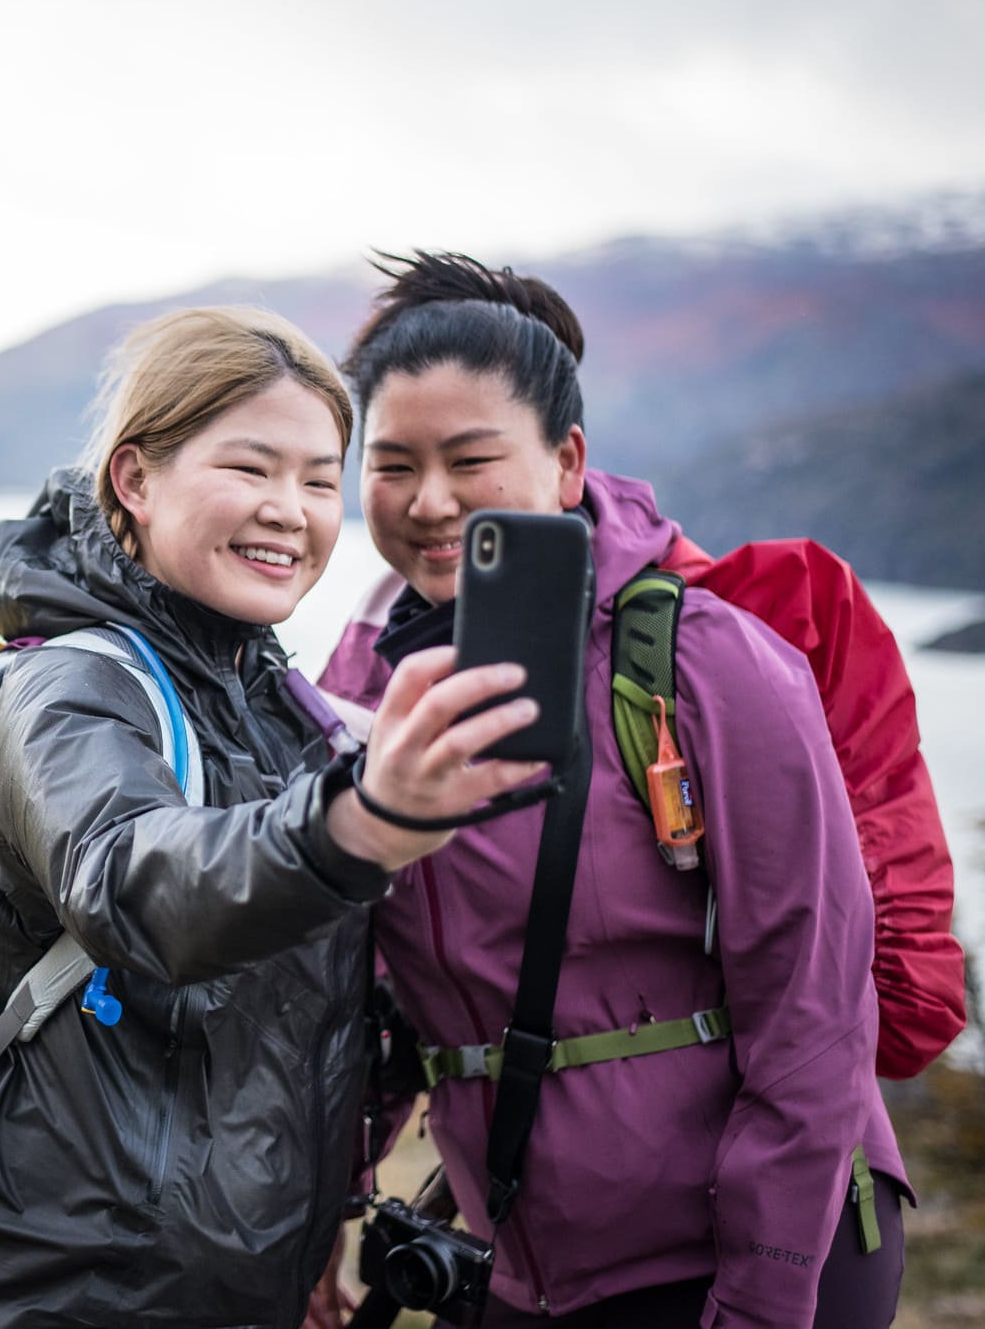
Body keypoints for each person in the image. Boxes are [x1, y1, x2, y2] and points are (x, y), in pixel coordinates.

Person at [0, 305, 544, 1329]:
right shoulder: (72, 688)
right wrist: (355, 825)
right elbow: (132, 881)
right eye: (249, 468)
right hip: (36, 1299)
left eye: (317, 479)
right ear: (134, 479)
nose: (288, 509)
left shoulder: (273, 704)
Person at [319, 253, 908, 1328]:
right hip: (515, 1260)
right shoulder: (359, 681)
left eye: (470, 457)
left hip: (752, 1251)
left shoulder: (701, 659)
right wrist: (319, 1215)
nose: (429, 498)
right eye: (392, 463)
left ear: (564, 460)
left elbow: (812, 1000)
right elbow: (360, 989)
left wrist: (764, 1289)